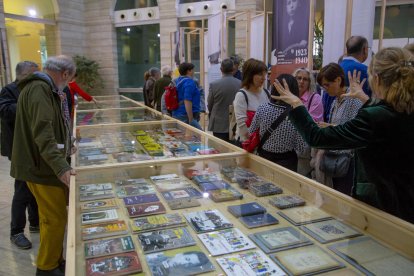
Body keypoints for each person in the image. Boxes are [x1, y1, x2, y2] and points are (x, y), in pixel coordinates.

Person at [273, 47, 414, 223]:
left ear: (376, 79)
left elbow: (318, 137)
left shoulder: (374, 117)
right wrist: (366, 99)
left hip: (384, 208)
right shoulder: (402, 110)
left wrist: (296, 103)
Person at [11, 55, 77, 276]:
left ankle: (56, 259)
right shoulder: (39, 89)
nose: (68, 83)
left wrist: (68, 147)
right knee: (54, 219)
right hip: (41, 167)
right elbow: (43, 132)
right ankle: (47, 267)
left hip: (43, 163)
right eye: (70, 78)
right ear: (65, 74)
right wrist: (61, 166)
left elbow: (54, 127)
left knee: (55, 217)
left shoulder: (44, 87)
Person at [0, 61, 40, 250]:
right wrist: (28, 104)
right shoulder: (9, 90)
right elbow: (5, 111)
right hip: (18, 149)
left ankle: (34, 222)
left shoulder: (34, 89)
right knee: (23, 189)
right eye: (34, 74)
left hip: (34, 147)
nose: (38, 77)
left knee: (34, 185)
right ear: (23, 75)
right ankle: (16, 231)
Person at [314, 63, 363, 194]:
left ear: (338, 80)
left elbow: (355, 130)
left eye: (327, 85)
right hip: (334, 156)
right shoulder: (336, 101)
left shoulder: (354, 100)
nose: (325, 89)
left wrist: (330, 127)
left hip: (347, 159)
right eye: (323, 86)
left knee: (344, 199)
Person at [249, 74, 306, 171]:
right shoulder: (298, 113)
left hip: (263, 158)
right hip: (287, 162)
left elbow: (251, 131)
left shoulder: (263, 108)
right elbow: (301, 146)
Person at [324, 36, 372, 122]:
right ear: (365, 49)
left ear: (347, 50)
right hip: (356, 127)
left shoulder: (330, 71)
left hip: (330, 125)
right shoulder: (367, 72)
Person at [292, 67, 324, 176]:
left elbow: (312, 124)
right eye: (299, 78)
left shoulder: (315, 98)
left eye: (305, 79)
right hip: (289, 148)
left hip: (304, 151)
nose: (301, 81)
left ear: (309, 82)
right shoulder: (290, 97)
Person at [233, 58, 270, 145]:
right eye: (260, 74)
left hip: (263, 143)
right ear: (250, 75)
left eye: (265, 74)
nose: (263, 78)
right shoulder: (241, 95)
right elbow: (243, 126)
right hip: (246, 143)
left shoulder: (266, 93)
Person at [208, 59, 241, 142]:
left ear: (221, 69)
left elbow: (210, 104)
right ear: (233, 69)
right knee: (233, 149)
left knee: (220, 149)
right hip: (235, 122)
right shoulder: (240, 84)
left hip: (218, 123)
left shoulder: (214, 85)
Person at [172, 62, 202, 130]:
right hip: (186, 115)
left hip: (177, 113)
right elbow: (187, 100)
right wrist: (191, 119)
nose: (194, 72)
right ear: (188, 71)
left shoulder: (178, 80)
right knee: (197, 136)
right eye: (193, 70)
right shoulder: (189, 82)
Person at [147, 250, 212, 275]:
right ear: (179, 254)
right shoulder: (152, 255)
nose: (183, 263)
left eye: (189, 264)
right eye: (187, 259)